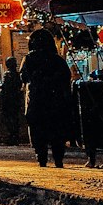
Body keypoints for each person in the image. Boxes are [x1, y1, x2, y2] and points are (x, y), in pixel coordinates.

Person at [19, 28, 72, 168]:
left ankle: (41, 158)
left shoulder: (29, 59)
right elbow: (66, 78)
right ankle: (58, 158)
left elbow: (23, 77)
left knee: (38, 130)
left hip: (36, 100)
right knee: (56, 131)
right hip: (55, 101)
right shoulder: (57, 60)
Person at [0, 56, 23, 145]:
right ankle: (16, 137)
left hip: (8, 100)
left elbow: (4, 85)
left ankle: (10, 137)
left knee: (8, 119)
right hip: (16, 99)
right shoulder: (18, 75)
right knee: (15, 118)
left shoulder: (7, 74)